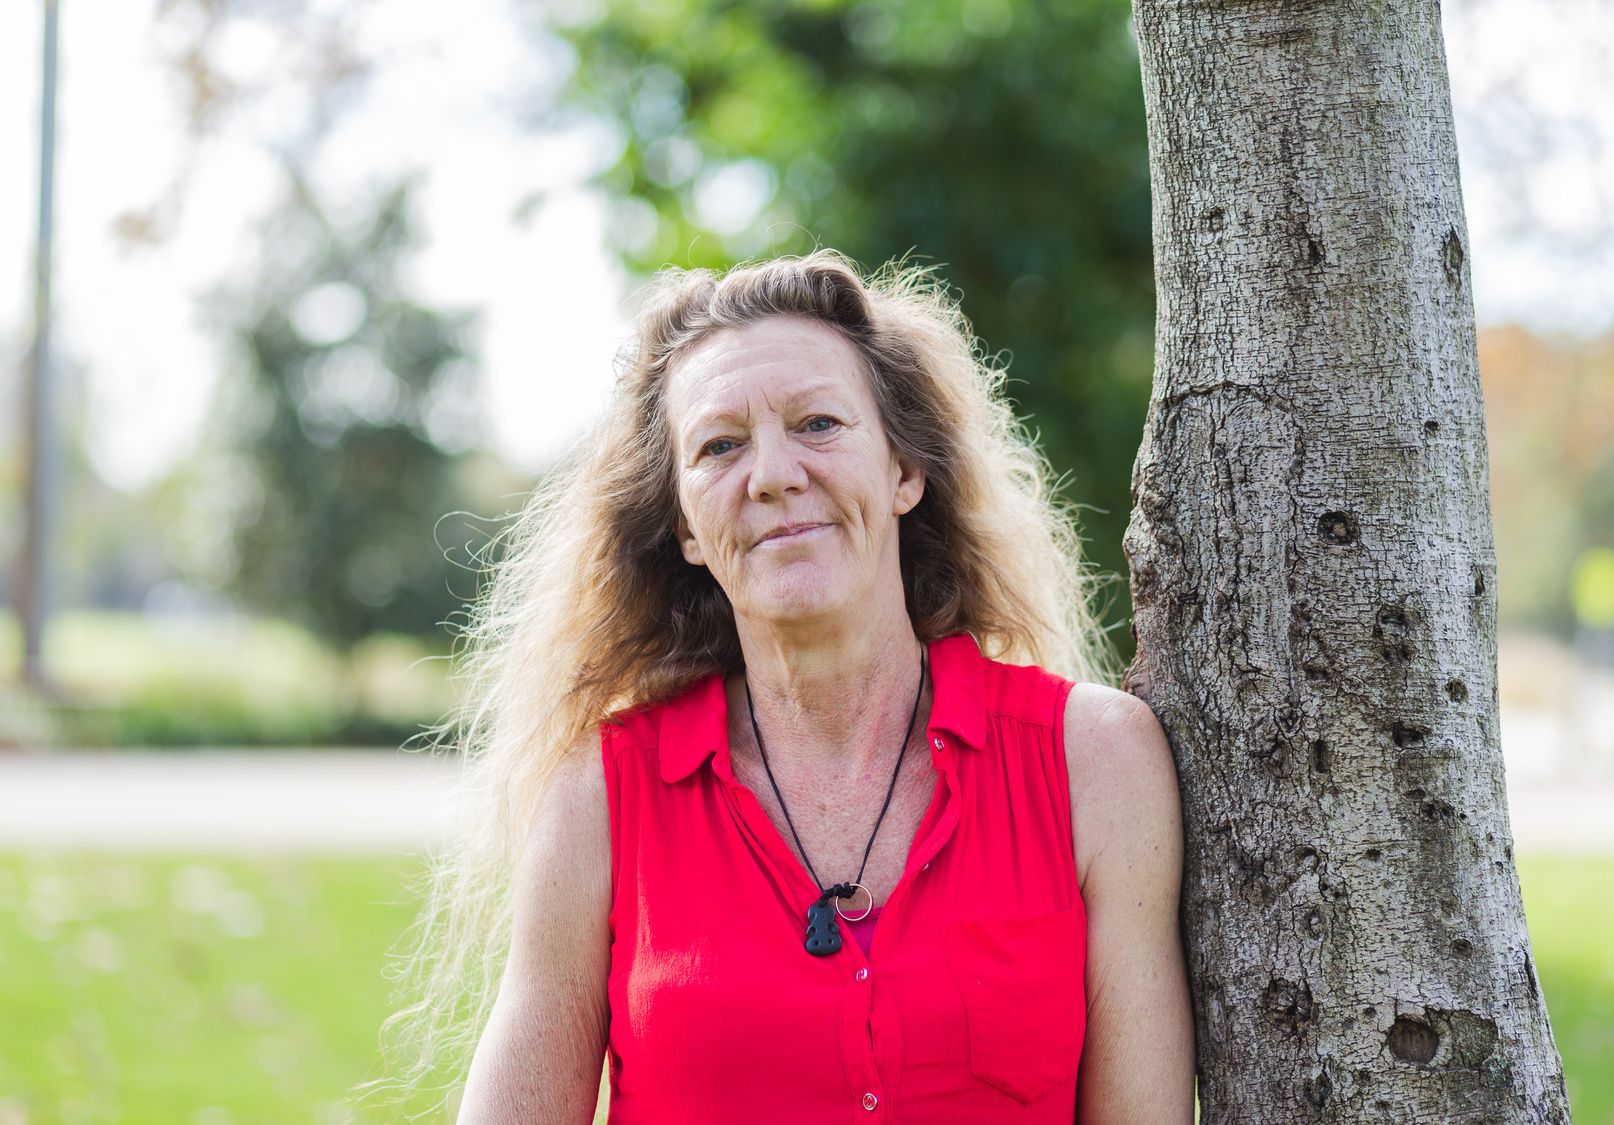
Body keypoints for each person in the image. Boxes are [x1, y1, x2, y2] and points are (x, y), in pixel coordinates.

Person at [365, 249, 1193, 1123]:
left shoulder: (1096, 762)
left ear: (905, 471)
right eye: (720, 446)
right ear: (685, 526)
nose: (771, 473)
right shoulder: (598, 799)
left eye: (819, 424)